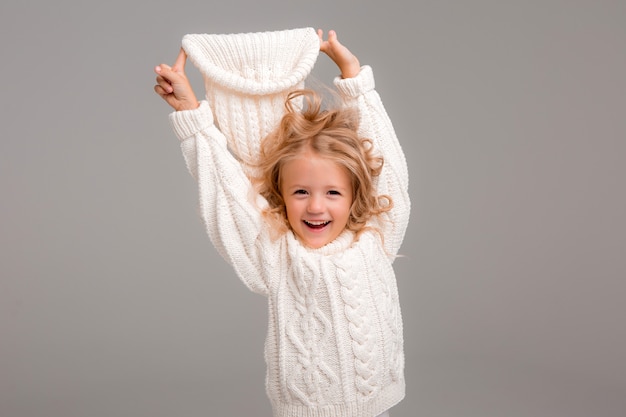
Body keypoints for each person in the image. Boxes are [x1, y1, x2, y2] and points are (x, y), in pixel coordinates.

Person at [154, 28, 410, 417]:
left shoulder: (376, 236)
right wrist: (192, 117)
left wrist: (355, 82)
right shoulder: (277, 253)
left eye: (333, 193)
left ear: (358, 194)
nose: (316, 208)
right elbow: (227, 197)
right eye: (301, 192)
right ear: (281, 195)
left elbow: (387, 166)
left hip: (377, 406)